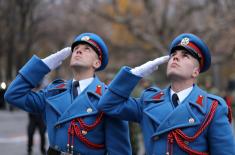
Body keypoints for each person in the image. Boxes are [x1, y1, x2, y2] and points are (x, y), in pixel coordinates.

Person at [98, 33, 235, 155]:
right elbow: (108, 105)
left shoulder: (212, 108)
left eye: (185, 56)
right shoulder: (149, 101)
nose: (175, 58)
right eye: (173, 55)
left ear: (195, 71)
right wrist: (135, 74)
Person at [4, 32, 131, 155]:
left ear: (97, 63)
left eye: (87, 49)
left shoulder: (109, 99)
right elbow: (13, 95)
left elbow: (119, 151)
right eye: (76, 48)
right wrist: (42, 66)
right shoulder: (54, 92)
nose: (78, 51)